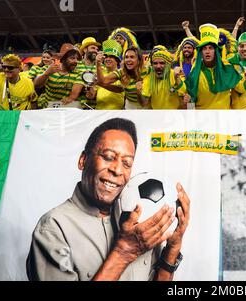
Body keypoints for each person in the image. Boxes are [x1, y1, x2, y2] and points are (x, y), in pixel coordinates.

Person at [26, 118, 190, 281]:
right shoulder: (54, 228)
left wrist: (172, 248)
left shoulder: (140, 222)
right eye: (108, 157)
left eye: (126, 163)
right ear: (83, 160)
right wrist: (124, 252)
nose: (117, 170)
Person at [185, 24, 242, 109]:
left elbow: (241, 88)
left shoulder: (227, 67)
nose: (207, 51)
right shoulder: (195, 71)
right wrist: (189, 102)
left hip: (223, 118)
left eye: (211, 48)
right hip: (203, 119)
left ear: (216, 51)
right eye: (204, 48)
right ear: (201, 52)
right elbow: (191, 97)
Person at [35, 43, 82, 109]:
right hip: (48, 109)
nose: (76, 61)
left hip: (67, 109)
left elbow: (74, 93)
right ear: (63, 59)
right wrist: (47, 73)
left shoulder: (78, 73)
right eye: (72, 58)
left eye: (77, 59)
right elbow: (37, 84)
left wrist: (71, 98)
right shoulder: (48, 68)